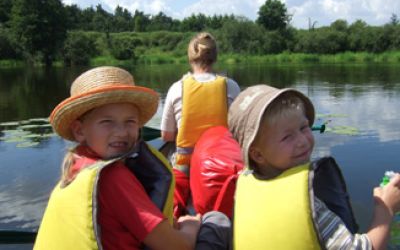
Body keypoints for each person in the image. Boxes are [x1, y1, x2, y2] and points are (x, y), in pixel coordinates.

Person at [34, 66, 231, 250]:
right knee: (217, 220)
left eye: (130, 121)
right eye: (107, 122)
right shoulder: (113, 178)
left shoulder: (75, 167)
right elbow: (176, 246)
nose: (121, 132)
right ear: (79, 130)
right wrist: (190, 226)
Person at [228, 84, 400, 250]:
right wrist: (385, 210)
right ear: (257, 154)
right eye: (287, 137)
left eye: (303, 127)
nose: (302, 141)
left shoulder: (242, 189)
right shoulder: (311, 207)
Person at [160, 32, 240, 217]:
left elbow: (166, 136)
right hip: (221, 163)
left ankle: (181, 216)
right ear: (215, 58)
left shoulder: (176, 88)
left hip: (185, 164)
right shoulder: (231, 86)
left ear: (190, 58)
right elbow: (238, 128)